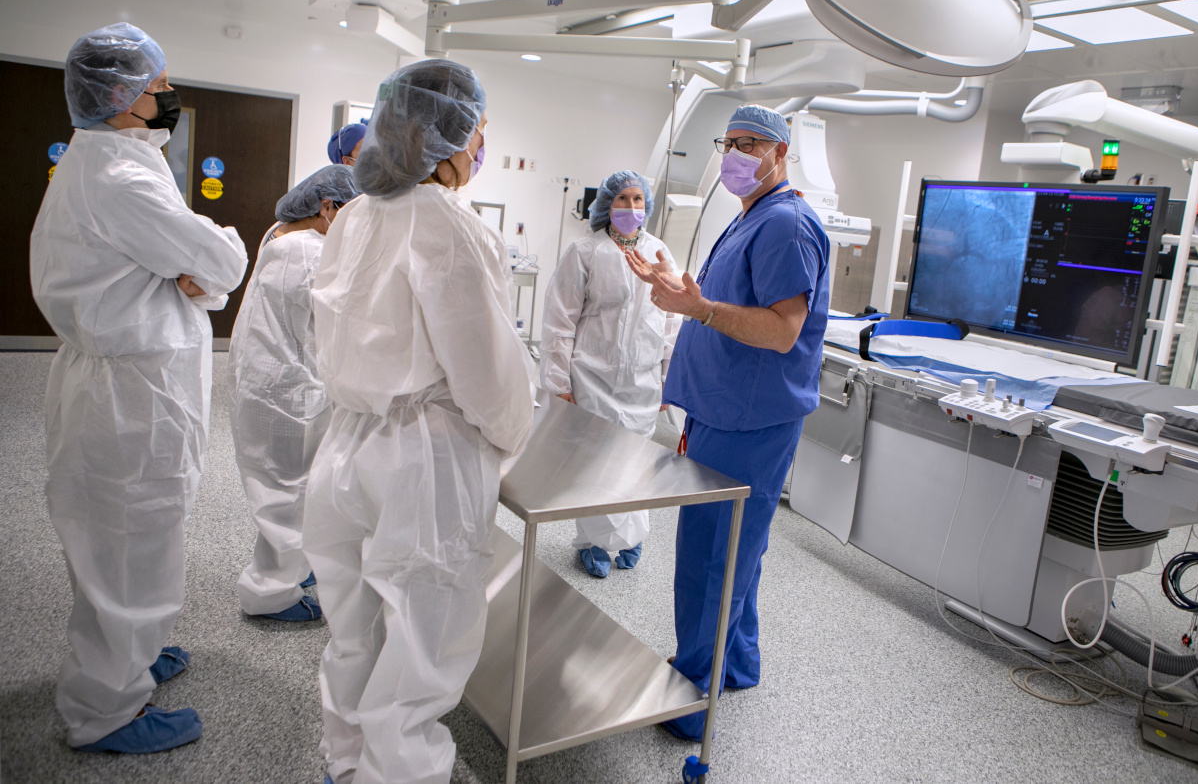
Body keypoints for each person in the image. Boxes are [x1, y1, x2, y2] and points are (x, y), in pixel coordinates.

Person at [303, 60, 534, 784]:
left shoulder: (355, 216)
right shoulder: (451, 228)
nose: (480, 150)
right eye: (479, 134)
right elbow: (485, 373)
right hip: (422, 459)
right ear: (445, 137)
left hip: (346, 442)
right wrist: (510, 435)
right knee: (421, 636)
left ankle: (348, 760)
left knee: (353, 625)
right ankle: (401, 772)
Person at [29, 23, 248, 753]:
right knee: (123, 549)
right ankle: (105, 711)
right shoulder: (117, 178)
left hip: (138, 382)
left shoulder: (120, 160)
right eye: (159, 89)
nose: (168, 99)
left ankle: (139, 656)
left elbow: (193, 272)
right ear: (122, 97)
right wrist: (206, 263)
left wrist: (194, 274)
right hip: (128, 395)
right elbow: (218, 256)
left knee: (146, 536)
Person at [626, 104, 829, 742]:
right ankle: (736, 663)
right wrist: (682, 293)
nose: (735, 154)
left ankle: (691, 697)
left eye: (750, 145)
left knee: (714, 558)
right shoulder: (751, 218)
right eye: (729, 142)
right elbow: (722, 304)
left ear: (780, 154)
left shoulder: (786, 226)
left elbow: (781, 329)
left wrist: (703, 309)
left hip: (749, 419)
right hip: (726, 409)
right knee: (739, 549)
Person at [227, 164, 361, 622]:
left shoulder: (279, 234)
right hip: (287, 393)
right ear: (328, 208)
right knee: (288, 493)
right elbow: (340, 322)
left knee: (284, 487)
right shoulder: (311, 251)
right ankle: (271, 593)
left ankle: (291, 570)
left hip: (265, 379)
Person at [540, 170, 678, 578]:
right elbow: (558, 321)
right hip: (592, 377)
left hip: (642, 382)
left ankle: (632, 536)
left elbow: (671, 321)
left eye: (638, 200)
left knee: (635, 466)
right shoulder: (585, 251)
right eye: (622, 200)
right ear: (606, 205)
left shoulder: (659, 252)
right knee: (596, 466)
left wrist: (673, 378)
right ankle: (595, 542)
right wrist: (558, 383)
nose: (631, 208)